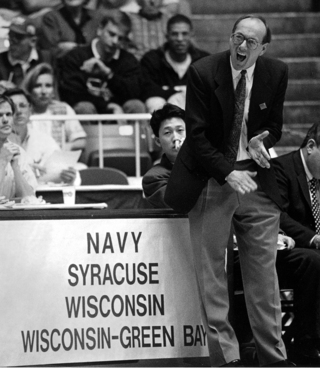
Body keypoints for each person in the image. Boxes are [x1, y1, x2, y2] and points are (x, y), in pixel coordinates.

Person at [165, 15, 292, 367]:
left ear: (263, 48)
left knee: (264, 278)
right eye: (238, 37)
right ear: (230, 37)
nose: (242, 46)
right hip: (211, 179)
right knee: (213, 279)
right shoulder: (204, 71)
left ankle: (274, 358)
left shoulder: (276, 72)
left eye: (251, 42)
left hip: (256, 179)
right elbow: (198, 137)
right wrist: (228, 172)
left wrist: (260, 141)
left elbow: (275, 126)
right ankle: (227, 361)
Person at [270, 121, 320, 364]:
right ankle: (306, 344)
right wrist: (313, 238)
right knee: (313, 260)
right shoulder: (281, 168)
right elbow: (278, 215)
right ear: (311, 146)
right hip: (288, 249)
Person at [57, 10, 145, 116]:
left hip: (121, 116)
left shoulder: (128, 60)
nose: (115, 41)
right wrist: (106, 105)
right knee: (84, 107)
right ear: (99, 30)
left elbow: (135, 93)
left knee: (136, 105)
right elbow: (70, 94)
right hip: (90, 113)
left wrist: (109, 75)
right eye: (111, 34)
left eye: (120, 38)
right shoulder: (76, 56)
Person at [4, 88, 78, 185]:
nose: (18, 111)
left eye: (23, 106)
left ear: (30, 109)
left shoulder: (44, 139)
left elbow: (59, 171)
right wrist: (25, 173)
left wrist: (68, 177)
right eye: (13, 107)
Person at [141, 13, 209, 112]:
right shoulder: (152, 59)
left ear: (191, 35)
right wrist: (178, 92)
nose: (180, 39)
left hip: (195, 114)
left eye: (184, 34)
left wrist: (170, 92)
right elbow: (146, 90)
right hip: (160, 112)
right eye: (174, 34)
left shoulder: (204, 60)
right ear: (167, 36)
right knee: (154, 101)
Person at [22, 62, 87, 152]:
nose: (44, 91)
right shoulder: (22, 112)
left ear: (53, 90)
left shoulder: (63, 109)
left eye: (48, 86)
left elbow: (81, 141)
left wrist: (67, 147)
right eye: (38, 86)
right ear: (29, 89)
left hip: (59, 162)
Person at [142, 103, 185, 207]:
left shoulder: (209, 165)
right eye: (167, 133)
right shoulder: (153, 178)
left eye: (180, 130)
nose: (176, 138)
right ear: (158, 141)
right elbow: (180, 203)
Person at [0, 94, 38, 200]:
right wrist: (2, 162)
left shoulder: (18, 152)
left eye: (8, 114)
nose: (5, 120)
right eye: (0, 115)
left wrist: (16, 168)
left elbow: (30, 199)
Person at [0, 15, 54, 88]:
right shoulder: (1, 61)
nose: (12, 40)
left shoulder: (47, 58)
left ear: (33, 41)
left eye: (18, 37)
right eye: (10, 34)